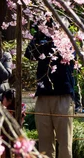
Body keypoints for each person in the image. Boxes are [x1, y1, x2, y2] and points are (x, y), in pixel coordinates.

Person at [25, 18, 75, 158]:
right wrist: (38, 36)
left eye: (52, 27)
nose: (50, 30)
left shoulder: (68, 41)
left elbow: (68, 58)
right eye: (47, 27)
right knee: (45, 144)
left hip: (63, 96)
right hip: (43, 95)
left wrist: (54, 40)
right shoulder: (41, 39)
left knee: (65, 143)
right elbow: (29, 54)